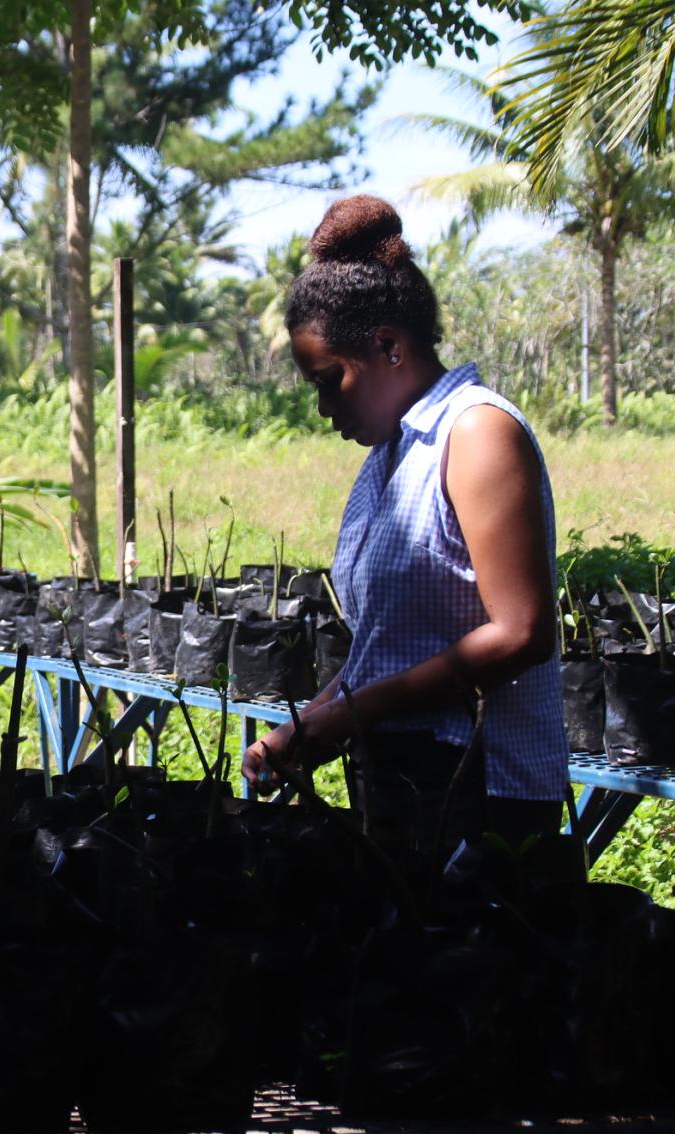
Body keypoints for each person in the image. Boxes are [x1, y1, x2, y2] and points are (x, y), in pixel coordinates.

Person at [241, 195, 567, 863]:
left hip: (480, 788)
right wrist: (311, 723)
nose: (326, 408)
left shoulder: (476, 433)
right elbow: (387, 647)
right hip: (411, 776)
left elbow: (523, 632)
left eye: (331, 381)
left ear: (388, 345)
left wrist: (346, 715)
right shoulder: (390, 456)